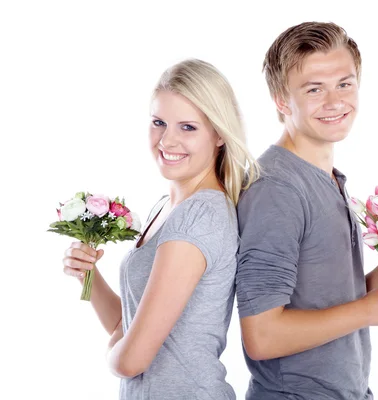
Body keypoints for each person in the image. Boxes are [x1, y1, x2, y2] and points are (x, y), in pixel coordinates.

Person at [235, 22, 378, 399]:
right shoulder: (277, 189)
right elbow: (262, 335)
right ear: (281, 100)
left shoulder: (325, 178)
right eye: (314, 89)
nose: (335, 102)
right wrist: (371, 310)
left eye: (345, 83)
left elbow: (316, 298)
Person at [61, 59, 259, 399]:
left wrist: (112, 358)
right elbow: (126, 325)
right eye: (159, 122)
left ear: (220, 135)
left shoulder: (199, 216)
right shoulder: (166, 208)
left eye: (188, 127)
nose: (167, 140)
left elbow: (131, 360)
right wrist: (88, 276)